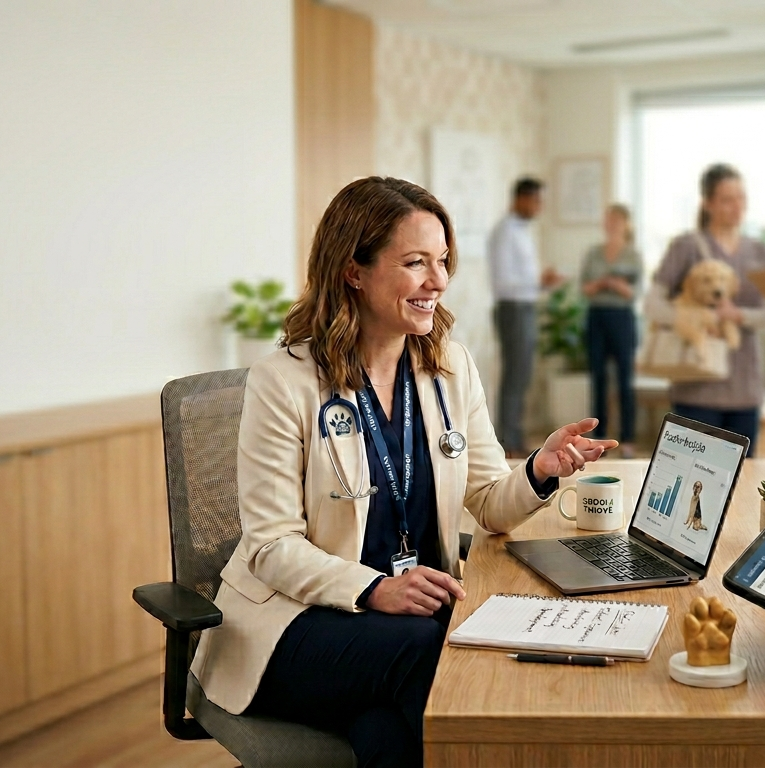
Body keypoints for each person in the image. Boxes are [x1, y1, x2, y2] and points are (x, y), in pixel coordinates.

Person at [189, 177, 616, 768]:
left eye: (442, 262)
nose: (438, 282)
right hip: (296, 622)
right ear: (353, 271)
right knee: (431, 650)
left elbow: (491, 500)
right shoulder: (283, 382)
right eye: (415, 263)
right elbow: (270, 546)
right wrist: (374, 588)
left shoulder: (449, 368)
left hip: (400, 628)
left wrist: (540, 469)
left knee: (389, 724)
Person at [645, 163, 765, 451]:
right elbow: (653, 305)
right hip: (695, 384)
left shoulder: (759, 251)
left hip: (745, 386)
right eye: (728, 200)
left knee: (743, 475)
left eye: (741, 197)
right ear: (708, 203)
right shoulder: (686, 246)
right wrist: (699, 318)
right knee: (689, 476)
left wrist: (737, 315)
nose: (737, 206)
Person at [488, 176, 561, 458]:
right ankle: (507, 441)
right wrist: (538, 281)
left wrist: (540, 282)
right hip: (513, 308)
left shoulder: (522, 231)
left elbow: (523, 277)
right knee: (515, 376)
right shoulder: (504, 232)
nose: (540, 207)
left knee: (522, 374)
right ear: (521, 198)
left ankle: (514, 437)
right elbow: (504, 282)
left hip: (526, 306)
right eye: (537, 201)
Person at [580, 203, 642, 456]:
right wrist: (605, 282)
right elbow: (585, 288)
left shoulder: (633, 255)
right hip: (597, 317)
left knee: (625, 380)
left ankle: (628, 437)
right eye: (609, 219)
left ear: (626, 224)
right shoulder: (593, 253)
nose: (612, 224)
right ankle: (599, 435)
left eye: (617, 219)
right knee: (598, 378)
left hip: (622, 319)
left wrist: (615, 285)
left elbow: (634, 293)